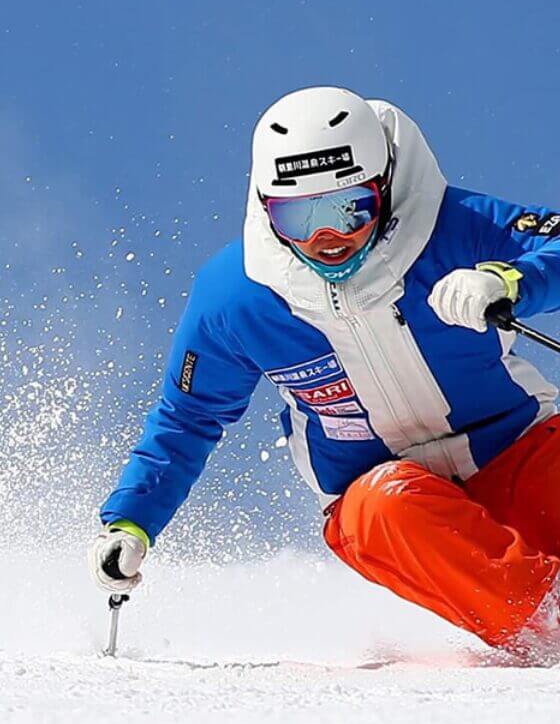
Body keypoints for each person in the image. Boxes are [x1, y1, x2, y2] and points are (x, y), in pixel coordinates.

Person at [89, 86, 560, 656]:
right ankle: (547, 626)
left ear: (384, 188)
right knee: (390, 504)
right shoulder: (236, 298)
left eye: (348, 209)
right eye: (298, 216)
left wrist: (510, 281)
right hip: (387, 503)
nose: (326, 239)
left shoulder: (453, 228)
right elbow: (187, 418)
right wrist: (131, 522)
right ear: (266, 208)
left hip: (517, 452)